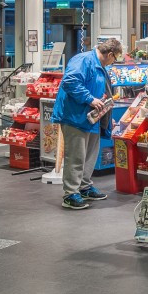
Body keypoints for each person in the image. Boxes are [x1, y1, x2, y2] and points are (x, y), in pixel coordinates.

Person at [51, 38, 122, 210]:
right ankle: (70, 194)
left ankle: (84, 187)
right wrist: (90, 99)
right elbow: (70, 82)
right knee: (76, 156)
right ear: (110, 54)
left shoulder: (99, 65)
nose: (114, 62)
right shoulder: (83, 60)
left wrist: (106, 114)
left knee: (90, 155)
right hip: (75, 117)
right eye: (115, 58)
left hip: (91, 118)